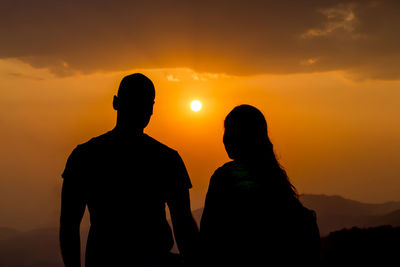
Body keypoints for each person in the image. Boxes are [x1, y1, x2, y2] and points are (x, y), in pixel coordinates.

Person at [60, 73, 199, 267]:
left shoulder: (85, 156)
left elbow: (69, 226)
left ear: (115, 102)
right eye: (140, 103)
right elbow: (183, 224)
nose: (142, 110)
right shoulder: (167, 158)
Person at [200, 105, 320, 266]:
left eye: (229, 131)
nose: (225, 138)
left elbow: (209, 234)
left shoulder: (224, 177)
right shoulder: (272, 176)